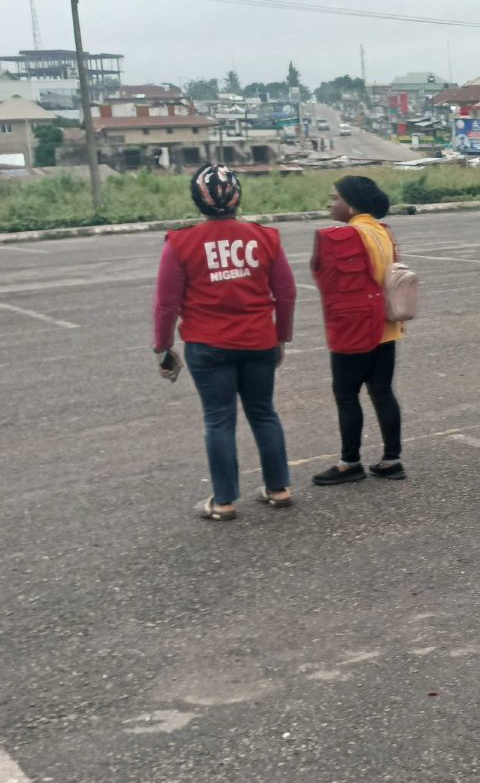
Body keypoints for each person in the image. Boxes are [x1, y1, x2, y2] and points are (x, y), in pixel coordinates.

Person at [152, 164, 295, 520]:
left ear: (196, 199)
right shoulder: (264, 237)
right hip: (259, 340)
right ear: (237, 197)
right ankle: (278, 489)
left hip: (207, 344)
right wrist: (282, 337)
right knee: (264, 413)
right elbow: (287, 294)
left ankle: (225, 501)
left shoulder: (180, 241)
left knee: (219, 420)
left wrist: (162, 345)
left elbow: (167, 302)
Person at [309, 176, 406, 485]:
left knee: (347, 395)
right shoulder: (382, 232)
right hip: (386, 326)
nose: (330, 203)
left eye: (334, 198)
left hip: (355, 327)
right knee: (382, 391)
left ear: (350, 204)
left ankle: (349, 462)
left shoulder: (348, 235)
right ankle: (392, 460)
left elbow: (328, 279)